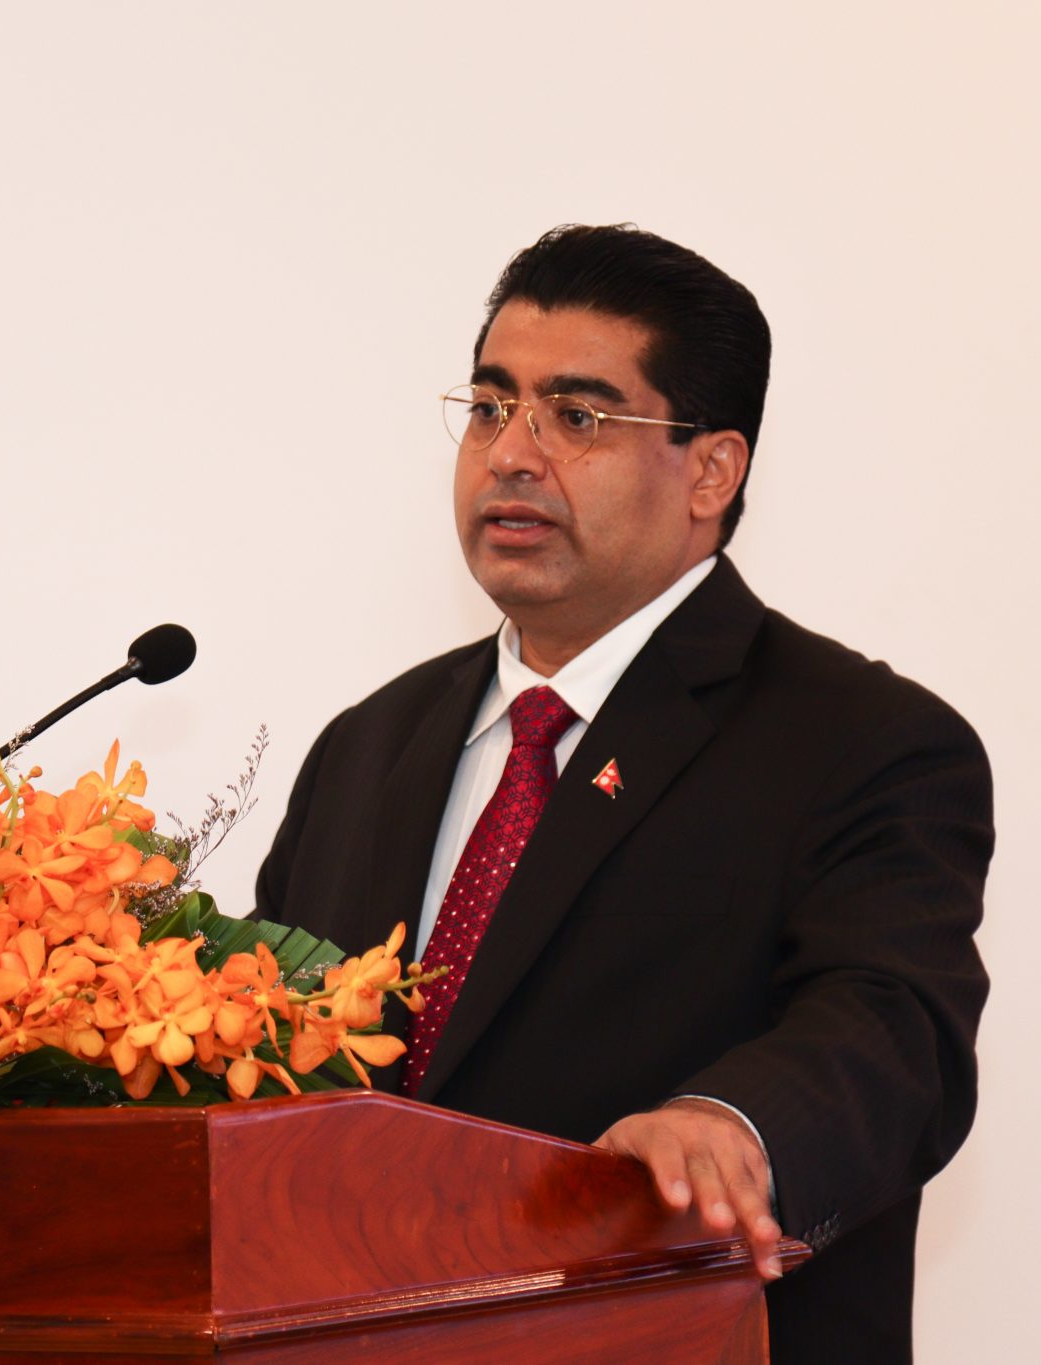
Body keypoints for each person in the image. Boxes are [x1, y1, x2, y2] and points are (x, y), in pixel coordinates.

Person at [253, 224, 992, 1363]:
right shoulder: (366, 747)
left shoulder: (861, 741)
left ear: (710, 471)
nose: (511, 453)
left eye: (577, 417)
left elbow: (893, 1030)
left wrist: (730, 1125)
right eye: (490, 406)